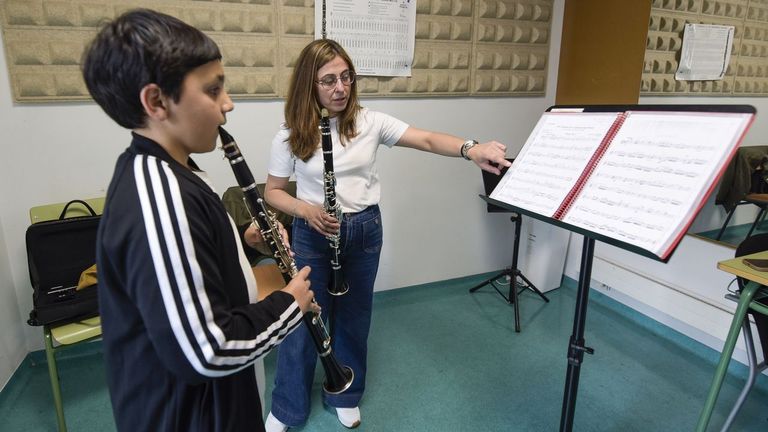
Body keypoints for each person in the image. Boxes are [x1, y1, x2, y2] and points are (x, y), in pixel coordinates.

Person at [81, 9, 318, 431]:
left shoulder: (178, 170)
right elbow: (207, 350)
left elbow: (193, 260)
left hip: (218, 403)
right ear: (156, 102)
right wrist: (290, 304)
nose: (227, 104)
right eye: (213, 90)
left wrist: (244, 243)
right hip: (191, 416)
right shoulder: (160, 192)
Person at [262, 39, 511, 431]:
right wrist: (306, 210)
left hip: (362, 230)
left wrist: (470, 148)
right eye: (328, 81)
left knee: (355, 316)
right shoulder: (289, 134)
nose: (340, 88)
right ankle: (287, 404)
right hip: (313, 231)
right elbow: (272, 191)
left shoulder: (370, 121)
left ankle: (345, 391)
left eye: (346, 77)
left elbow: (427, 138)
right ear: (309, 85)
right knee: (302, 317)